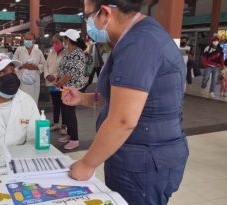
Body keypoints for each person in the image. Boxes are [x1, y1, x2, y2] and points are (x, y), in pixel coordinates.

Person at [63, 0, 189, 204]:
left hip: (144, 162)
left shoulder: (139, 43)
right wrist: (84, 98)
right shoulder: (136, 37)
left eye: (88, 15)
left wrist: (87, 163)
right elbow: (123, 98)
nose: (88, 23)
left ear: (105, 13)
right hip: (138, 156)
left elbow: (124, 119)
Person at [54, 29, 87, 150]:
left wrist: (59, 83)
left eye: (64, 39)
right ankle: (70, 134)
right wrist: (58, 80)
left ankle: (75, 139)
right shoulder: (69, 51)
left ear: (68, 40)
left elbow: (71, 73)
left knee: (69, 112)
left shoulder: (78, 53)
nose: (63, 41)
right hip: (65, 87)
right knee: (65, 111)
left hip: (73, 87)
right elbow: (63, 68)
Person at [13, 32, 46, 104]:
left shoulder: (38, 51)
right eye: (26, 39)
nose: (27, 41)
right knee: (21, 101)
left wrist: (36, 67)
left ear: (34, 41)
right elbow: (13, 64)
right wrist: (22, 66)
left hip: (34, 82)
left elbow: (44, 64)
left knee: (33, 101)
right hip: (21, 81)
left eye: (29, 39)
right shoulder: (19, 50)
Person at [44, 34, 68, 132]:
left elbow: (63, 68)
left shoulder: (66, 53)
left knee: (64, 104)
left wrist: (54, 76)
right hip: (51, 83)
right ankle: (56, 123)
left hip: (61, 83)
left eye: (57, 42)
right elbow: (46, 64)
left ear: (62, 42)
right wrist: (47, 75)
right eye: (53, 42)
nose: (55, 44)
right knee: (55, 103)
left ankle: (64, 125)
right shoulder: (52, 52)